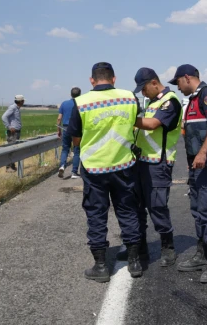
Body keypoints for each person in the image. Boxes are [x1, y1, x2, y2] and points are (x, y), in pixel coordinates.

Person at [67, 62, 145, 282]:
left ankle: (101, 266)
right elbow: (134, 123)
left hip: (95, 168)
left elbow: (76, 137)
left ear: (92, 80)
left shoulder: (81, 102)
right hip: (124, 166)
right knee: (128, 212)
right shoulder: (129, 97)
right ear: (114, 79)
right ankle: (135, 262)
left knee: (96, 215)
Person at [119, 67, 182, 268]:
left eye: (144, 89)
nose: (143, 93)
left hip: (158, 163)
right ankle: (140, 249)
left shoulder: (170, 101)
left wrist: (126, 119)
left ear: (155, 82)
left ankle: (168, 248)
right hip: (141, 162)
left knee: (157, 207)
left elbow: (154, 124)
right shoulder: (154, 101)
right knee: (137, 208)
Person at [169, 64, 207, 283]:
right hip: (198, 165)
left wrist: (202, 152)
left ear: (187, 78)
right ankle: (202, 254)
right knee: (197, 209)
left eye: (178, 83)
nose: (178, 87)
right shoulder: (192, 99)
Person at [57, 87, 82, 179]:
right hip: (76, 128)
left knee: (65, 149)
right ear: (80, 94)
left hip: (65, 128)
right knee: (76, 150)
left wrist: (58, 130)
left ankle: (62, 166)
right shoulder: (80, 103)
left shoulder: (64, 103)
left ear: (70, 94)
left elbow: (59, 118)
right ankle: (74, 172)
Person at [2, 95, 25, 172]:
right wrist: (9, 127)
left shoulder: (17, 108)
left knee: (14, 149)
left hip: (16, 131)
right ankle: (8, 167)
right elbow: (4, 117)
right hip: (13, 132)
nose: (24, 102)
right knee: (11, 149)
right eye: (23, 100)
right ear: (21, 101)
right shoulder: (13, 108)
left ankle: (12, 166)